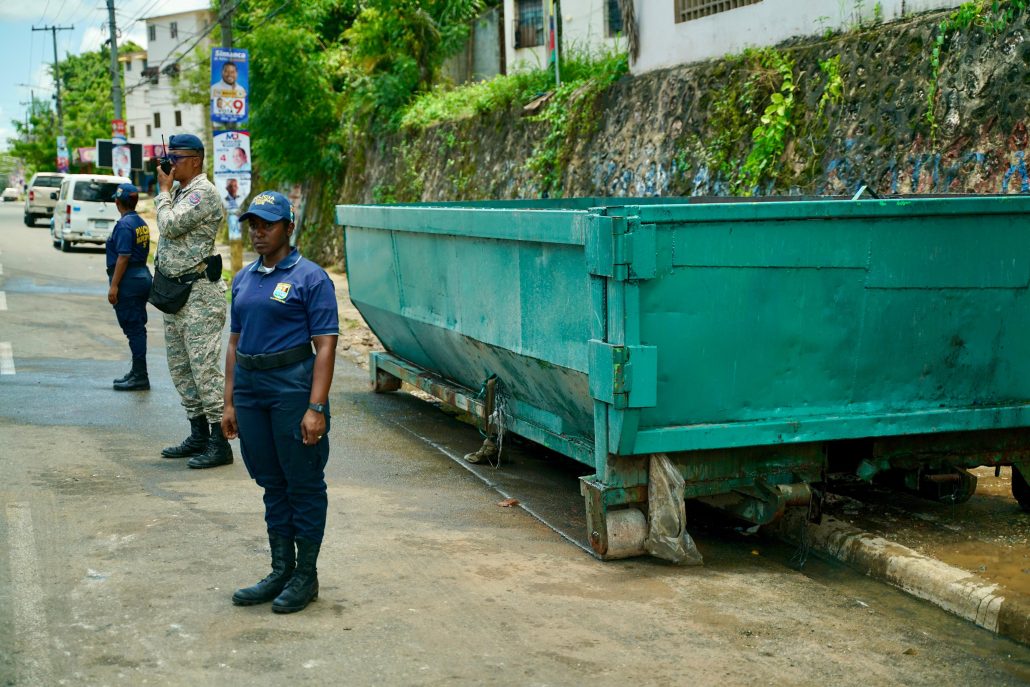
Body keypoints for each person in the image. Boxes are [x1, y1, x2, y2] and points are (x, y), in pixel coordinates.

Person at [223, 191, 338, 613]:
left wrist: (316, 407)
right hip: (250, 391)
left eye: (268, 224)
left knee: (302, 483)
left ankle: (306, 576)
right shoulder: (243, 278)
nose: (258, 232)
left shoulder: (311, 278)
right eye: (253, 224)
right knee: (271, 482)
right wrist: (229, 402)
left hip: (292, 388)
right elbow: (233, 343)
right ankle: (280, 570)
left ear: (289, 227)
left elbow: (325, 346)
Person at [155, 133, 234, 469]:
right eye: (169, 158)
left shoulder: (203, 192)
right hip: (176, 293)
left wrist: (162, 193)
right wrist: (168, 192)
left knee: (204, 370)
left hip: (200, 295)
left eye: (176, 158)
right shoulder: (180, 192)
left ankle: (220, 442)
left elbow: (170, 225)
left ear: (196, 161)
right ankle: (198, 433)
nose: (170, 164)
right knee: (181, 369)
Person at [106, 183, 152, 391]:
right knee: (137, 327)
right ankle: (137, 371)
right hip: (140, 277)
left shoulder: (124, 225)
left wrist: (114, 286)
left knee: (134, 329)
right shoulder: (140, 222)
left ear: (117, 202)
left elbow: (123, 257)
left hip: (129, 281)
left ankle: (140, 376)